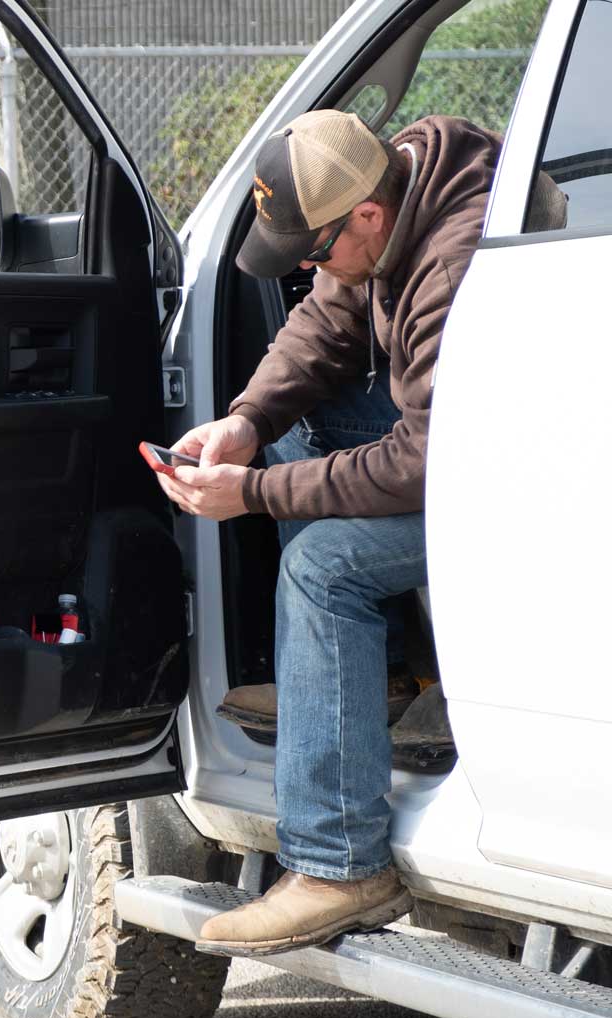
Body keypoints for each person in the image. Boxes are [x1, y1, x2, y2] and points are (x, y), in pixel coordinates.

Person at [157, 109, 507, 956]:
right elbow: (327, 320)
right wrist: (243, 424)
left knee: (322, 564)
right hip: (451, 439)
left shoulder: (455, 261)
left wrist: (257, 494)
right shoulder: (391, 181)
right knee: (285, 427)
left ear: (369, 218)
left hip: (502, 479)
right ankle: (374, 684)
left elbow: (426, 462)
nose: (311, 269)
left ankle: (339, 862)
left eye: (313, 250)